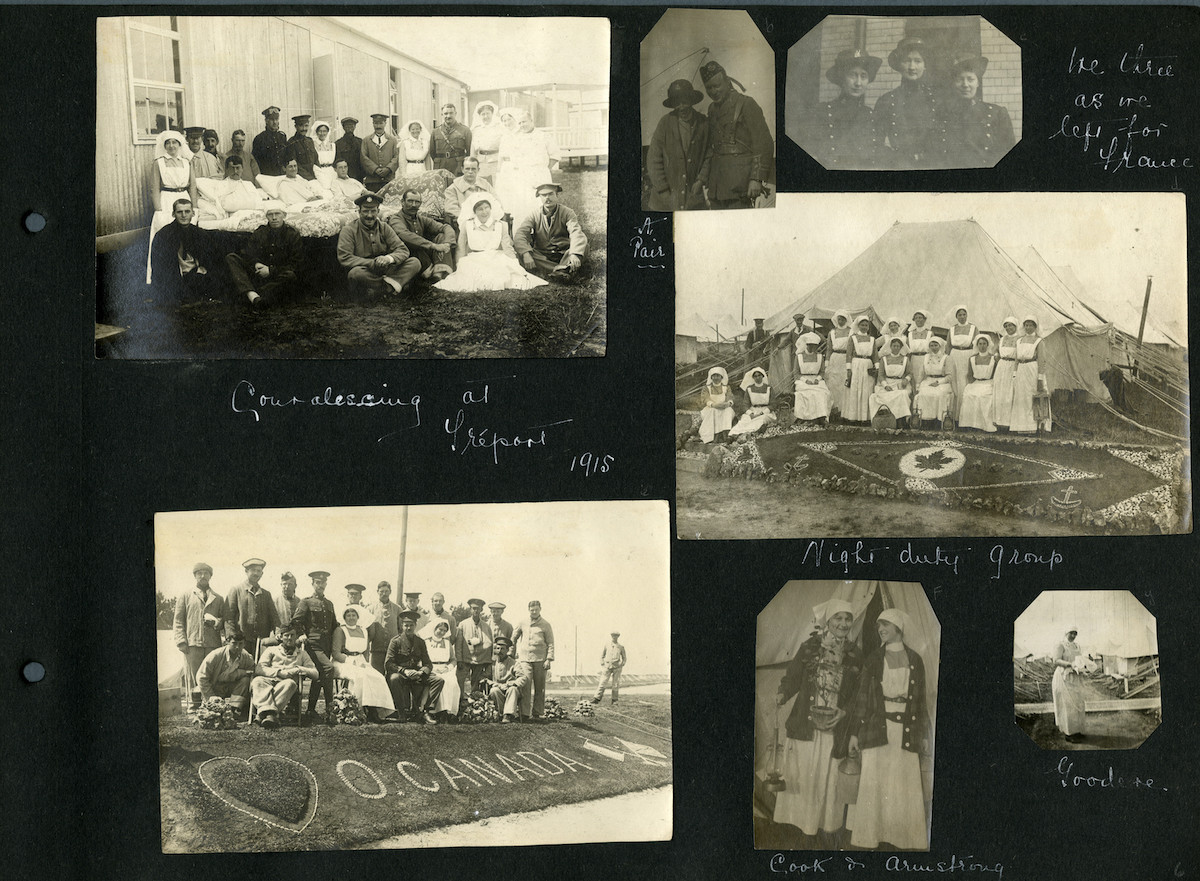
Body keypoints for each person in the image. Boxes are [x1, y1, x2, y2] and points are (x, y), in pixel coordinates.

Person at [772, 600, 863, 842]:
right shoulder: (811, 647)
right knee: (804, 775)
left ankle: (824, 830)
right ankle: (800, 829)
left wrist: (844, 711)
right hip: (807, 723)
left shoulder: (855, 654)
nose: (843, 624)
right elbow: (792, 678)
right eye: (838, 618)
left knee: (828, 777)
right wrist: (782, 693)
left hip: (835, 725)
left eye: (847, 619)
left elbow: (858, 694)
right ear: (828, 621)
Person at [845, 608, 930, 850]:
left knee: (903, 783)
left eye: (886, 625)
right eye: (879, 625)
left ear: (898, 629)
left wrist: (923, 733)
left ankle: (902, 838)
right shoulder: (873, 659)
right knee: (876, 783)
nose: (881, 629)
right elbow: (862, 698)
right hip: (878, 730)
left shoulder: (916, 660)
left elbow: (920, 701)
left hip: (906, 730)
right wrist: (854, 733)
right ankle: (870, 836)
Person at [699, 60, 775, 209]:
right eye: (709, 88)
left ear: (727, 82)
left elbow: (764, 143)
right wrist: (702, 179)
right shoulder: (712, 109)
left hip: (741, 185)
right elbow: (712, 147)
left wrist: (756, 178)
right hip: (716, 186)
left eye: (717, 86)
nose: (713, 91)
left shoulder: (746, 104)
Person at [436, 193, 547, 292]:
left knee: (505, 275)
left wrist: (515, 263)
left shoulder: (501, 225)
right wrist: (459, 265)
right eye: (480, 209)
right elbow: (461, 248)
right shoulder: (467, 225)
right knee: (471, 277)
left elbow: (507, 247)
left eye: (486, 208)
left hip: (495, 257)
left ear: (491, 208)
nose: (484, 212)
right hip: (475, 258)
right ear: (474, 212)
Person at [804, 48, 882, 169]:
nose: (858, 83)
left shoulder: (871, 115)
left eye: (863, 76)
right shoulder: (822, 112)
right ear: (841, 77)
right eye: (852, 75)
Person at [337, 192, 421, 298]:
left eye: (373, 211)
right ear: (359, 212)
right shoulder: (349, 230)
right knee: (355, 274)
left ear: (378, 211)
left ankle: (382, 289)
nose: (369, 215)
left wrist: (388, 259)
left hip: (386, 268)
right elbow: (345, 257)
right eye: (365, 211)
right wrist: (372, 263)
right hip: (366, 270)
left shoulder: (384, 227)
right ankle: (393, 286)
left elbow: (402, 250)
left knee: (415, 262)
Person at [874, 36, 941, 169]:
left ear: (925, 65)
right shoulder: (886, 101)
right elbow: (876, 143)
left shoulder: (936, 100)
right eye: (907, 61)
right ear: (899, 65)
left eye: (918, 61)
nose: (912, 67)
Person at [646, 78, 711, 211]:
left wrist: (701, 180)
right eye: (677, 103)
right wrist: (663, 190)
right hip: (665, 199)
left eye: (685, 101)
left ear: (692, 101)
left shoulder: (703, 123)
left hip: (693, 200)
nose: (681, 107)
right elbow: (653, 159)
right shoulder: (665, 123)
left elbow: (709, 155)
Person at [942, 55, 1015, 169]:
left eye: (970, 79)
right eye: (960, 79)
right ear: (954, 84)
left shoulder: (997, 113)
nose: (965, 84)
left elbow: (1008, 150)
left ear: (978, 83)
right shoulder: (945, 115)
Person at [225, 205, 303, 309]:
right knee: (232, 258)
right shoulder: (260, 232)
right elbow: (248, 253)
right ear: (266, 216)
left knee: (290, 276)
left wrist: (270, 271)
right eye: (270, 214)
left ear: (284, 215)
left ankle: (252, 294)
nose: (274, 218)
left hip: (276, 277)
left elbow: (296, 264)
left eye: (277, 213)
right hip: (258, 274)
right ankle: (254, 296)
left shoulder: (292, 234)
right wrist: (256, 263)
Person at [173, 562, 226, 709]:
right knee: (193, 675)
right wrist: (181, 641)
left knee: (210, 675)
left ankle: (209, 704)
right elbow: (178, 621)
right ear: (195, 576)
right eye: (199, 573)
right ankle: (194, 705)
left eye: (206, 573)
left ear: (210, 576)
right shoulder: (185, 596)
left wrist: (216, 622)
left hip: (213, 644)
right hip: (192, 643)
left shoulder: (218, 598)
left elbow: (223, 621)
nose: (203, 576)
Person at [513, 182, 588, 283]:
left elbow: (576, 232)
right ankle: (562, 270)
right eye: (544, 195)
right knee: (521, 251)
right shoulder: (534, 214)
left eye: (551, 194)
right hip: (543, 256)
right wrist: (526, 253)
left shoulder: (567, 212)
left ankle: (560, 268)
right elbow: (520, 234)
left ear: (557, 195)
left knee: (584, 246)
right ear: (539, 197)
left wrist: (574, 253)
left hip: (564, 253)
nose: (547, 198)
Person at [332, 605, 396, 723]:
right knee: (360, 676)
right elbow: (336, 653)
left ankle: (374, 710)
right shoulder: (340, 630)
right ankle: (356, 710)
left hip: (360, 661)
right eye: (348, 615)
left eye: (353, 615)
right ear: (344, 617)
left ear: (358, 617)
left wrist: (365, 663)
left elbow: (366, 651)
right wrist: (352, 661)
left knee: (378, 677)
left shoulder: (363, 630)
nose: (351, 618)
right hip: (343, 662)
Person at [290, 569, 337, 726]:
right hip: (313, 645)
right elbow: (296, 621)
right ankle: (331, 708)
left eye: (323, 582)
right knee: (328, 669)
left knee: (319, 676)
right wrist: (302, 634)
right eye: (318, 582)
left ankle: (310, 710)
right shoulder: (306, 602)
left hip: (327, 646)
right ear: (313, 584)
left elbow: (334, 626)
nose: (321, 585)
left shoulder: (329, 604)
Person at [149, 199, 219, 302]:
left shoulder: (199, 233)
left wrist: (201, 269)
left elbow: (210, 258)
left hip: (194, 275)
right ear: (173, 214)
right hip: (174, 278)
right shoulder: (163, 235)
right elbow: (159, 266)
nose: (184, 215)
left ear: (193, 213)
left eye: (187, 211)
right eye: (179, 212)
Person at [496, 108, 559, 220]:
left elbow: (555, 155)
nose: (522, 125)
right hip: (523, 175)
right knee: (523, 204)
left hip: (540, 174)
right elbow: (514, 158)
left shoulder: (543, 136)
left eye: (524, 122)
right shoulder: (517, 138)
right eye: (519, 123)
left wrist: (545, 169)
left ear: (531, 120)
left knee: (542, 202)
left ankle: (544, 229)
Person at [252, 624, 318, 729]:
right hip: (269, 680)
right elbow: (259, 669)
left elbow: (315, 673)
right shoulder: (271, 650)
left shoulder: (302, 654)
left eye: (292, 635)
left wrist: (298, 668)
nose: (290, 638)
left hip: (286, 684)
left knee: (290, 683)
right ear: (281, 637)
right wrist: (278, 672)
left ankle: (263, 714)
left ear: (296, 637)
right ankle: (271, 715)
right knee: (257, 681)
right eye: (286, 635)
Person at [385, 610, 442, 723]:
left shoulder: (420, 642)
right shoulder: (395, 641)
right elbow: (388, 663)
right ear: (402, 626)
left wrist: (421, 672)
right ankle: (402, 712)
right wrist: (404, 671)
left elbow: (428, 663)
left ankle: (425, 711)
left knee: (438, 680)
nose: (409, 628)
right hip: (401, 674)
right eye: (406, 625)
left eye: (411, 625)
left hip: (416, 673)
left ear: (415, 625)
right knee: (394, 678)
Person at [387, 189, 456, 282]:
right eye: (410, 201)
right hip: (407, 255)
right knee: (415, 246)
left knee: (442, 237)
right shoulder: (395, 219)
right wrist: (434, 246)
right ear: (402, 202)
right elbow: (404, 235)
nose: (414, 205)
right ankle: (429, 276)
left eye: (417, 202)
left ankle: (438, 275)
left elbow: (445, 227)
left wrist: (447, 244)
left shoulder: (421, 218)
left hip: (423, 253)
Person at [198, 630, 256, 719]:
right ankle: (216, 708)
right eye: (234, 643)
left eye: (240, 644)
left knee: (246, 680)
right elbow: (201, 677)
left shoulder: (246, 656)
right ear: (227, 642)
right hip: (216, 687)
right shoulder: (215, 655)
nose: (237, 647)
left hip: (232, 687)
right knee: (214, 714)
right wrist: (210, 696)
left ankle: (234, 709)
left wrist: (240, 673)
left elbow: (252, 669)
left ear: (244, 644)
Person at [225, 558, 278, 655]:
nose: (256, 573)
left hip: (261, 642)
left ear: (262, 574)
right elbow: (229, 618)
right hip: (241, 642)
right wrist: (232, 638)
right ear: (246, 571)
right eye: (253, 570)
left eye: (259, 571)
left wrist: (278, 634)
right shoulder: (236, 590)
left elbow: (274, 618)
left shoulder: (266, 594)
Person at [512, 600, 554, 721]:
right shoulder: (522, 622)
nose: (534, 612)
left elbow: (551, 643)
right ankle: (524, 713)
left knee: (539, 687)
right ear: (528, 610)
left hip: (540, 660)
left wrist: (549, 659)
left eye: (536, 609)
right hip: (525, 659)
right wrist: (512, 651)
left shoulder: (546, 624)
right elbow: (513, 638)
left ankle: (537, 713)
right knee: (525, 685)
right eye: (531, 610)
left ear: (540, 609)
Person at [1011, 316, 1048, 433]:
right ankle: (1020, 426)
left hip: (1032, 369)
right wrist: (1015, 374)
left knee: (1031, 396)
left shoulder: (1039, 341)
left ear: (1035, 327)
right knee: (1020, 397)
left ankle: (1033, 426)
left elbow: (1042, 360)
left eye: (1031, 325)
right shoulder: (1019, 340)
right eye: (1026, 325)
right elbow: (1016, 359)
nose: (1028, 327)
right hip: (1021, 370)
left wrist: (1040, 378)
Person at [455, 597, 494, 705]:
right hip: (466, 658)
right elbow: (458, 644)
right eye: (473, 608)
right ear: (470, 609)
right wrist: (459, 659)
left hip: (480, 660)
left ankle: (475, 704)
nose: (475, 611)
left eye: (478, 608)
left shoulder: (486, 627)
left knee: (476, 683)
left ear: (481, 610)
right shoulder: (463, 624)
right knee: (460, 680)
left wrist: (480, 643)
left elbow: (489, 643)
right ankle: (460, 701)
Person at [868, 336, 913, 427]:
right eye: (894, 346)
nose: (895, 348)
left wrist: (906, 380)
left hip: (900, 383)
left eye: (897, 346)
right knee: (874, 397)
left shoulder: (905, 359)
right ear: (890, 347)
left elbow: (910, 373)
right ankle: (882, 421)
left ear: (901, 348)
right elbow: (881, 375)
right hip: (886, 383)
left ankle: (900, 421)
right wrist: (885, 385)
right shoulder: (884, 359)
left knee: (902, 394)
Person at [1052, 628, 1087, 743]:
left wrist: (1084, 665)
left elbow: (1079, 660)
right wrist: (1070, 664)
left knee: (1078, 704)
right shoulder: (1060, 645)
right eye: (1071, 633)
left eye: (1075, 633)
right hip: (1064, 677)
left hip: (1075, 678)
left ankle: (1077, 731)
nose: (1073, 635)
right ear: (1066, 633)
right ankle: (1069, 733)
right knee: (1068, 706)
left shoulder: (1077, 646)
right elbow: (1056, 660)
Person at [442, 156, 497, 229]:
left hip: (487, 220)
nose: (470, 172)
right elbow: (451, 209)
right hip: (467, 223)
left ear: (478, 170)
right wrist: (471, 218)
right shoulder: (453, 188)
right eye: (467, 169)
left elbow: (496, 202)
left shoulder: (485, 184)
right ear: (462, 170)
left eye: (473, 169)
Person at [958, 335, 998, 432]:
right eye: (980, 344)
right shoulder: (972, 358)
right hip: (976, 383)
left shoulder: (993, 358)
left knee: (982, 396)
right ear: (977, 345)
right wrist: (972, 384)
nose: (982, 346)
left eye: (984, 344)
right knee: (968, 395)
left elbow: (996, 374)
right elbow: (970, 374)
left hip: (988, 383)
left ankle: (985, 425)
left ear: (988, 345)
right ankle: (970, 424)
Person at [150, 130, 195, 214]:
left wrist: (194, 206)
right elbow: (154, 188)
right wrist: (158, 208)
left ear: (179, 144)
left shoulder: (186, 162)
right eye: (168, 143)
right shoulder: (158, 162)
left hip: (184, 198)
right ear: (164, 146)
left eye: (174, 142)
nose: (171, 146)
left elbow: (192, 186)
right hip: (167, 199)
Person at [912, 337, 954, 427]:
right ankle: (924, 419)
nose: (933, 347)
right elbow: (921, 373)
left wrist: (938, 382)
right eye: (931, 345)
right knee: (922, 394)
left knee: (938, 394)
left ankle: (941, 419)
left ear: (940, 346)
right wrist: (917, 386)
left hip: (943, 382)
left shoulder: (947, 358)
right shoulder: (926, 357)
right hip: (928, 381)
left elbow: (950, 376)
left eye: (936, 345)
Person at [842, 316, 876, 423]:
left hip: (868, 365)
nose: (864, 327)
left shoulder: (872, 339)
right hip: (856, 364)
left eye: (866, 325)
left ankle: (865, 417)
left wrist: (877, 368)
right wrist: (849, 369)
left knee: (867, 389)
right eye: (862, 325)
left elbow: (875, 355)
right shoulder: (853, 338)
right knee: (855, 389)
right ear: (858, 326)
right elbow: (848, 354)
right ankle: (854, 417)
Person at [425, 620, 460, 722]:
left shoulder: (447, 643)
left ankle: (449, 712)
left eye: (445, 630)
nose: (442, 632)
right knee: (440, 681)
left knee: (452, 683)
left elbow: (453, 659)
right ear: (434, 629)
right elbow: (422, 659)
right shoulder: (426, 642)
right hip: (432, 669)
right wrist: (432, 668)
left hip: (445, 669)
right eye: (440, 629)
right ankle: (435, 711)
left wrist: (448, 668)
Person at [491, 637, 533, 722]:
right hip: (499, 689)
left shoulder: (514, 663)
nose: (500, 651)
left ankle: (508, 715)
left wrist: (512, 684)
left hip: (510, 689)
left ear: (507, 650)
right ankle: (501, 713)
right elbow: (485, 676)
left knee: (512, 690)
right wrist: (489, 682)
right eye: (498, 648)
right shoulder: (492, 663)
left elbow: (522, 678)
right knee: (494, 690)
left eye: (503, 649)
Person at [946, 306, 977, 421]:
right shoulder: (952, 329)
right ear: (956, 316)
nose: (962, 317)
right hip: (954, 356)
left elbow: (977, 346)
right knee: (954, 382)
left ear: (967, 315)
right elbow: (948, 346)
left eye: (964, 314)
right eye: (960, 315)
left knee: (964, 383)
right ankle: (953, 416)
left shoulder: (973, 328)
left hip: (967, 356)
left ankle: (965, 417)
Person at [794, 332, 832, 423]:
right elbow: (796, 374)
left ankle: (822, 417)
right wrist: (806, 380)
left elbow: (822, 372)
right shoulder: (799, 357)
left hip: (816, 380)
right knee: (805, 394)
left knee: (823, 393)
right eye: (809, 345)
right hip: (802, 380)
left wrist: (817, 379)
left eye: (814, 346)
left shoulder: (820, 357)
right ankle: (803, 417)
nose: (812, 348)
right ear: (806, 345)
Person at [730, 367, 777, 438]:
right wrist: (751, 414)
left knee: (761, 420)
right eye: (755, 376)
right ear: (753, 378)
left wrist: (762, 413)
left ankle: (747, 434)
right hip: (753, 411)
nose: (757, 378)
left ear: (763, 376)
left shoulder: (769, 388)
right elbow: (745, 404)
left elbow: (773, 404)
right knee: (745, 419)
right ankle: (734, 434)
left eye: (759, 375)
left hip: (765, 412)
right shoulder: (749, 389)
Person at [367, 581, 401, 676]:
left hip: (393, 651)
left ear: (390, 592)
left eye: (386, 591)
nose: (384, 594)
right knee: (376, 676)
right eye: (381, 591)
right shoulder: (370, 609)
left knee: (392, 677)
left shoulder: (397, 609)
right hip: (376, 651)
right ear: (377, 591)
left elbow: (401, 629)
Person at [992, 317, 1020, 431]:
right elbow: (996, 351)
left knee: (1010, 393)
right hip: (1002, 366)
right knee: (1000, 393)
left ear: (1015, 326)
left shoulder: (1019, 339)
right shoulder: (1002, 339)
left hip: (1012, 366)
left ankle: (1009, 423)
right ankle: (999, 422)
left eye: (1011, 325)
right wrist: (997, 357)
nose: (1008, 328)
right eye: (1006, 326)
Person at [361, 113, 399, 193]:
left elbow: (396, 156)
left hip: (389, 180)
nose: (378, 126)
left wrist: (388, 169)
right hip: (372, 181)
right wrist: (375, 169)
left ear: (385, 123)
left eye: (381, 123)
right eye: (376, 123)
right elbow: (364, 158)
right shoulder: (366, 140)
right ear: (373, 124)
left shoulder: (393, 140)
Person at [431, 103, 473, 174]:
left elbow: (469, 151)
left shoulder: (465, 130)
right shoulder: (436, 131)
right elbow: (432, 152)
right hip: (441, 166)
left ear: (455, 113)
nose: (448, 116)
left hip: (458, 165)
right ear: (442, 114)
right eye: (446, 113)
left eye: (451, 113)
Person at [825, 310, 852, 419]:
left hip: (846, 359)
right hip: (834, 359)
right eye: (839, 319)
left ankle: (844, 411)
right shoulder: (832, 332)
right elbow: (828, 349)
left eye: (843, 319)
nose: (841, 321)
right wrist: (826, 364)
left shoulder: (851, 332)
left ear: (846, 320)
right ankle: (833, 410)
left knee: (844, 384)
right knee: (833, 384)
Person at [470, 100, 505, 182]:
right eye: (483, 114)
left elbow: (504, 147)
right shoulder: (476, 130)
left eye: (488, 113)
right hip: (481, 163)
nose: (485, 116)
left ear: (492, 114)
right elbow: (473, 149)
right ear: (479, 116)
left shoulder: (499, 128)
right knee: (481, 185)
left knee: (495, 185)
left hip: (495, 162)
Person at [698, 366, 735, 443]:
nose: (716, 378)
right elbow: (705, 398)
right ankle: (714, 435)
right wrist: (713, 405)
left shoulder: (726, 387)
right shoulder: (707, 388)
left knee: (728, 410)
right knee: (713, 411)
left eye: (718, 376)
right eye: (714, 376)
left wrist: (728, 403)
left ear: (721, 377)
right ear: (711, 377)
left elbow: (730, 397)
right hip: (711, 408)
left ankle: (726, 433)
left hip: (723, 408)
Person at [252, 106, 288, 177]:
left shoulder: (282, 137)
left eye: (276, 119)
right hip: (268, 177)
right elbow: (256, 162)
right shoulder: (259, 139)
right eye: (272, 119)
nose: (275, 122)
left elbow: (286, 156)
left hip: (282, 175)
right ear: (266, 121)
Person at [592, 632, 627, 704]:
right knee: (603, 682)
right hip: (607, 667)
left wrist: (621, 664)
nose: (614, 637)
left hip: (617, 667)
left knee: (615, 684)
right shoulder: (607, 645)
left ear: (618, 637)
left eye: (616, 636)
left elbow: (624, 658)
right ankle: (596, 699)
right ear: (611, 637)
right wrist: (602, 662)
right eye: (613, 636)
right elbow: (602, 655)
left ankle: (614, 700)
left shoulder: (621, 647)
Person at [283, 114, 318, 181]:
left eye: (306, 126)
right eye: (301, 126)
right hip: (301, 178)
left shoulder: (310, 141)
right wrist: (310, 178)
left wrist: (318, 175)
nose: (304, 129)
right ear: (296, 127)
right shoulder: (291, 142)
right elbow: (295, 165)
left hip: (314, 176)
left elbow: (316, 160)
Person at [906, 309, 933, 389]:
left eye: (920, 317)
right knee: (914, 380)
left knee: (924, 380)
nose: (918, 320)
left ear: (925, 319)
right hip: (914, 360)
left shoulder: (930, 333)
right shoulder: (910, 334)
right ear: (914, 320)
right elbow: (907, 351)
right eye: (916, 318)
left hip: (926, 359)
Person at [334, 116, 364, 182]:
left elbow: (363, 159)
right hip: (344, 174)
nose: (350, 129)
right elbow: (337, 160)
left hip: (358, 175)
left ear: (354, 127)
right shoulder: (338, 143)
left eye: (351, 126)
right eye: (347, 126)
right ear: (343, 127)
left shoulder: (360, 142)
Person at [310, 120, 338, 188]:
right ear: (316, 132)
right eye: (320, 131)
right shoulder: (313, 145)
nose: (322, 133)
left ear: (328, 132)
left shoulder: (332, 145)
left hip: (331, 171)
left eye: (324, 131)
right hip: (319, 171)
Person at [275, 572, 301, 636]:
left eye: (290, 584)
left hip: (294, 639)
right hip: (279, 637)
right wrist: (278, 633)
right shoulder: (275, 601)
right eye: (284, 584)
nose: (287, 587)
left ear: (295, 586)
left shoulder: (300, 602)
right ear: (281, 585)